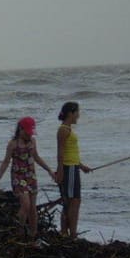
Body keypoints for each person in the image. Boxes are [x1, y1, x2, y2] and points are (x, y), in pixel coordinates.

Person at [0, 117, 56, 239]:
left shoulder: (32, 142)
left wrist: (49, 170)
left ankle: (33, 234)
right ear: (20, 129)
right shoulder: (13, 144)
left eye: (30, 133)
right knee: (25, 205)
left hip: (31, 176)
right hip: (18, 177)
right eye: (27, 132)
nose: (29, 135)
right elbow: (5, 162)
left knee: (32, 208)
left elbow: (36, 157)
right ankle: (19, 231)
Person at [55, 101, 91, 238]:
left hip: (73, 167)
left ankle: (70, 232)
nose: (78, 116)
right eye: (77, 112)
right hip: (68, 168)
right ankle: (69, 232)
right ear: (71, 113)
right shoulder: (63, 129)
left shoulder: (68, 129)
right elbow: (61, 152)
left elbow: (72, 151)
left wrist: (81, 166)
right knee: (71, 201)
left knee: (74, 200)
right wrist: (60, 171)